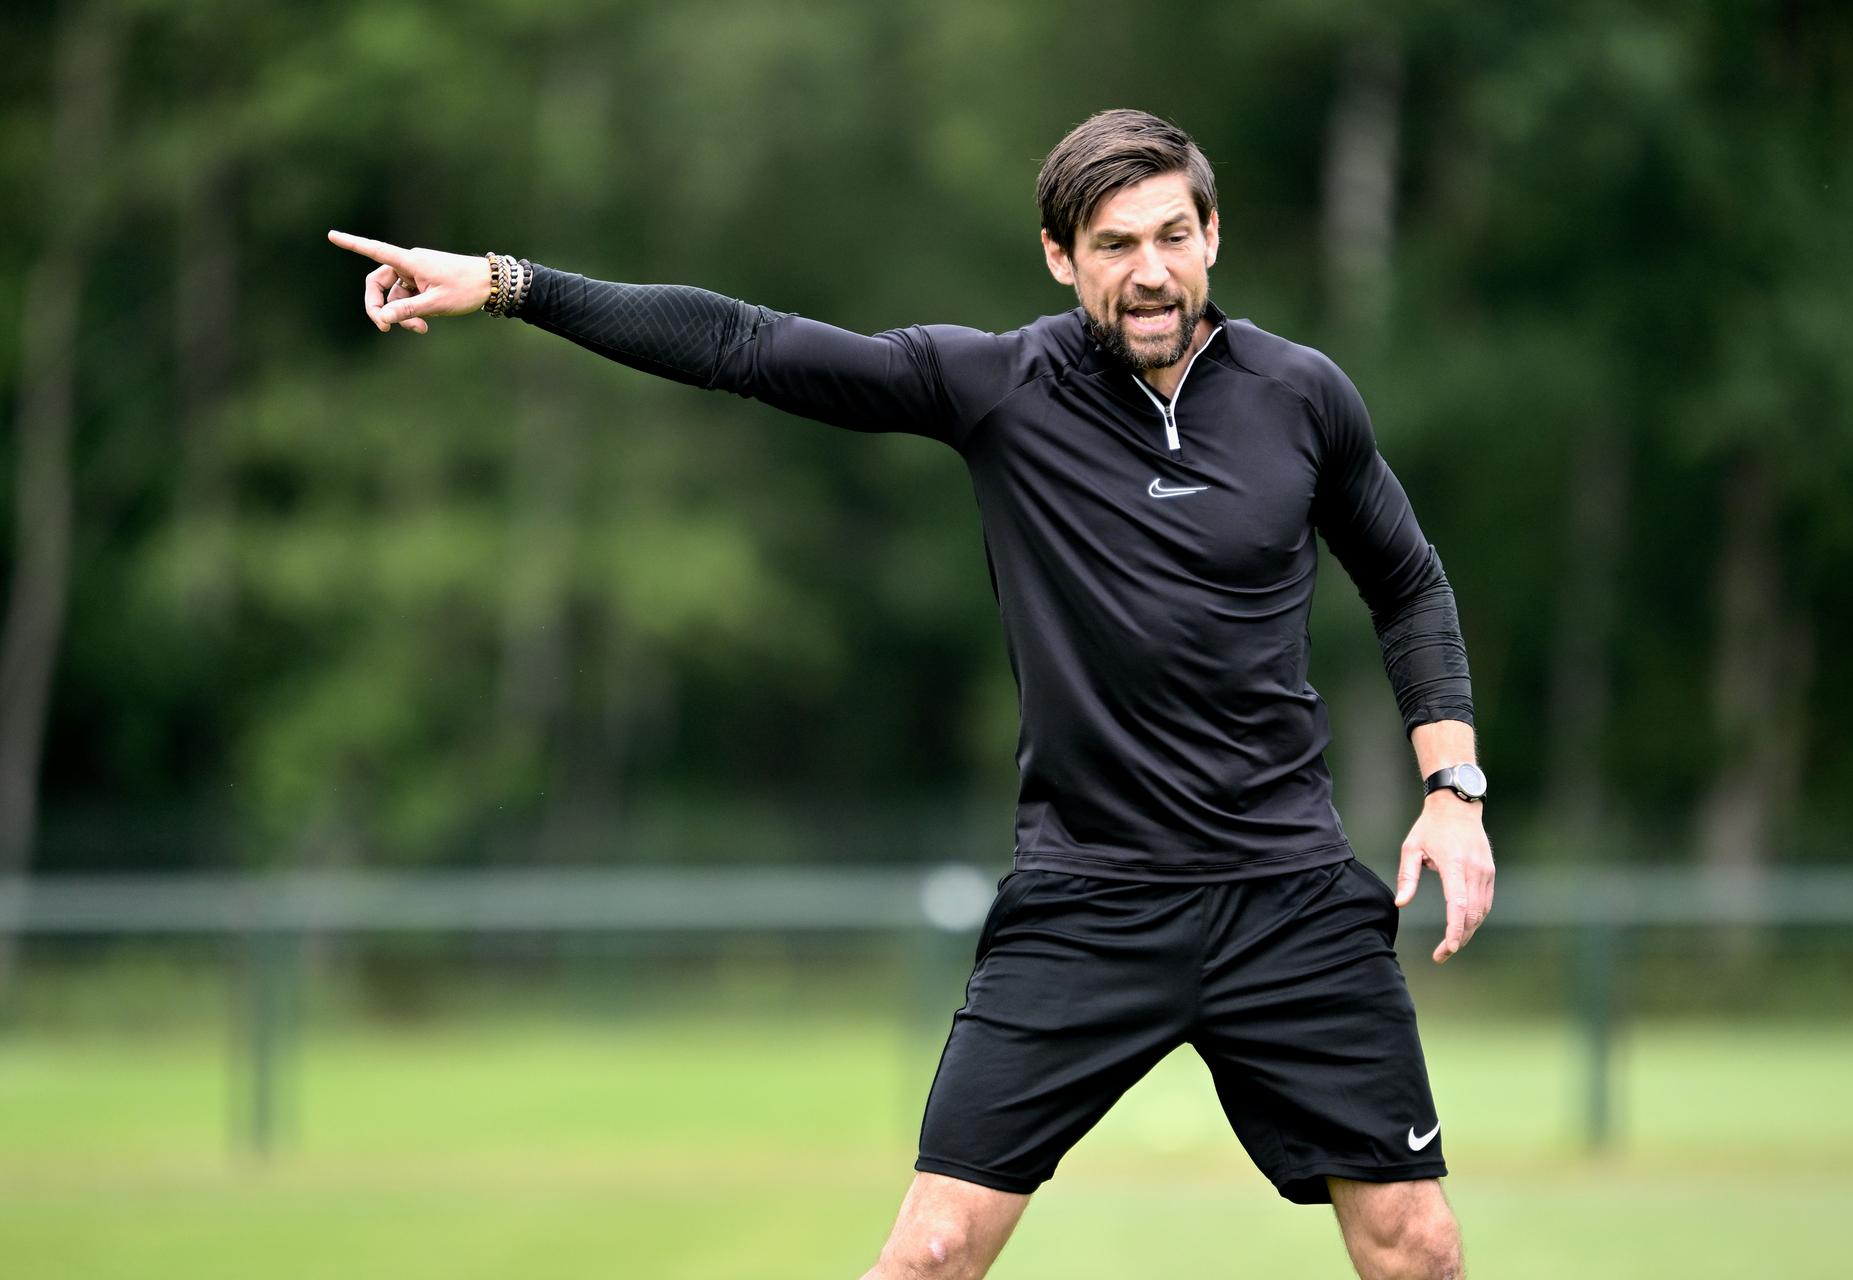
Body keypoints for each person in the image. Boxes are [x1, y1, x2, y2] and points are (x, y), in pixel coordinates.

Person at [328, 108, 1494, 1280]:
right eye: (1112, 243)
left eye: (1172, 235)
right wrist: (509, 283)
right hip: (1089, 899)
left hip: (1285, 895)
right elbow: (749, 343)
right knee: (931, 1250)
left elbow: (1408, 583)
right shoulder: (998, 386)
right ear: (1058, 253)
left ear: (1212, 235)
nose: (1150, 272)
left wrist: (1453, 785)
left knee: (1418, 1247)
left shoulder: (1304, 396)